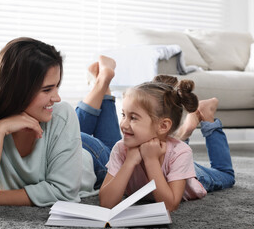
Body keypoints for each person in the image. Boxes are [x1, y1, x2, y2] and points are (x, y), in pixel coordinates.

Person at [0, 37, 121, 211]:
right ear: (16, 90)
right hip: (61, 142)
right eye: (47, 89)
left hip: (94, 158)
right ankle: (101, 81)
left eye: (57, 86)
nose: (57, 97)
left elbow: (64, 193)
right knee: (63, 116)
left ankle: (103, 81)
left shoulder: (60, 114)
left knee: (117, 151)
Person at [98, 75, 235, 212]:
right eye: (123, 115)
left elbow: (170, 205)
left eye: (133, 118)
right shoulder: (121, 148)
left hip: (191, 176)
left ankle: (208, 118)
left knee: (226, 176)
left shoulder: (181, 153)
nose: (123, 124)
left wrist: (151, 160)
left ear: (163, 126)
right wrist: (129, 162)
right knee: (175, 147)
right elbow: (106, 203)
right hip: (171, 156)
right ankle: (183, 133)